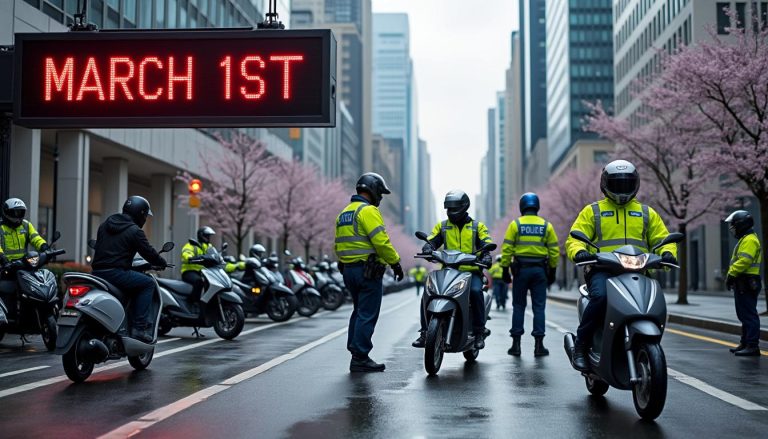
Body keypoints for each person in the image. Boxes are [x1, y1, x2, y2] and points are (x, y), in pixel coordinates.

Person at [566, 160, 677, 371]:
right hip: (602, 270)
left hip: (637, 269)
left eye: (626, 183)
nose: (622, 188)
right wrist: (579, 252)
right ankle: (581, 346)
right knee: (600, 298)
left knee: (652, 300)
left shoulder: (646, 213)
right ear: (605, 184)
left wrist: (668, 254)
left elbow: (663, 239)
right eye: (617, 183)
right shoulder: (593, 211)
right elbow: (575, 239)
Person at [335, 172, 403, 373]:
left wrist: (343, 261)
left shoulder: (344, 213)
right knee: (367, 313)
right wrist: (396, 262)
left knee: (358, 311)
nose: (380, 198)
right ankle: (360, 357)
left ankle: (356, 352)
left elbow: (338, 243)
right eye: (380, 193)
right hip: (367, 272)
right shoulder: (368, 211)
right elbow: (381, 241)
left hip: (349, 270)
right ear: (372, 191)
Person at [412, 190, 493, 350]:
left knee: (476, 292)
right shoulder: (442, 226)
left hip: (471, 272)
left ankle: (478, 333)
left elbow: (486, 242)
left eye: (453, 208)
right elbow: (432, 239)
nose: (450, 212)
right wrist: (428, 246)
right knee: (427, 291)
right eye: (448, 208)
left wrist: (486, 255)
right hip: (448, 271)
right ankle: (424, 332)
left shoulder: (478, 227)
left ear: (464, 207)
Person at [91, 196, 167, 343]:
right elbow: (148, 252)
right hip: (116, 274)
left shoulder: (105, 225)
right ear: (141, 214)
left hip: (97, 273)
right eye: (145, 215)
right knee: (147, 284)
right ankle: (139, 328)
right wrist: (162, 262)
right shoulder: (134, 231)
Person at [501, 192, 560, 357]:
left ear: (522, 206)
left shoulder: (515, 225)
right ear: (537, 206)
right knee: (539, 307)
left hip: (521, 271)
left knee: (518, 306)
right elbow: (554, 251)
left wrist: (505, 269)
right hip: (540, 270)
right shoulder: (546, 226)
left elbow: (507, 249)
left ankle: (516, 345)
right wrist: (553, 271)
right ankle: (539, 346)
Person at [724, 210, 762, 357]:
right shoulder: (746, 238)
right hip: (743, 281)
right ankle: (745, 343)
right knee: (743, 314)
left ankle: (752, 345)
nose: (732, 228)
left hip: (747, 281)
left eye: (734, 225)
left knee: (749, 315)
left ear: (741, 224)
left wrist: (731, 274)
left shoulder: (750, 240)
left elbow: (745, 260)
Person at [0, 198, 49, 268]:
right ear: (7, 212)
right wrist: (2, 258)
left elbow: (35, 238)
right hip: (4, 266)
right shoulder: (1, 227)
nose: (19, 215)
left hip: (23, 264)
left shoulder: (26, 225)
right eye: (16, 212)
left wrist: (43, 245)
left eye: (21, 212)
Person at [181, 227, 217, 304]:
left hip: (204, 272)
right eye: (207, 236)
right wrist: (190, 257)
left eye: (209, 236)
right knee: (199, 281)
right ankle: (192, 302)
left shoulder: (208, 246)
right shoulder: (191, 245)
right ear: (201, 235)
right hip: (189, 271)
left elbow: (214, 255)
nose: (208, 238)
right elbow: (186, 253)